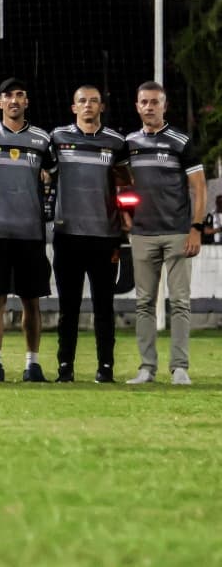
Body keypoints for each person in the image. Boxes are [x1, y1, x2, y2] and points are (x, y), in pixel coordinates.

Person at [0, 78, 56, 383]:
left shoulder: (42, 139)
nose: (14, 100)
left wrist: (47, 184)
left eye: (20, 95)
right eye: (8, 95)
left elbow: (53, 176)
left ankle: (32, 364)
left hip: (30, 233)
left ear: (27, 102)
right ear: (0, 102)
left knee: (31, 301)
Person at [124, 81, 207, 386]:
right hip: (142, 234)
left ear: (164, 106)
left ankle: (180, 368)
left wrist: (196, 228)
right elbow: (120, 183)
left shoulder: (180, 141)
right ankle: (147, 368)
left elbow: (199, 188)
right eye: (144, 102)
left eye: (154, 102)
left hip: (177, 233)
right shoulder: (129, 143)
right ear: (137, 106)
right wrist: (125, 216)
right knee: (144, 303)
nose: (149, 107)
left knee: (180, 302)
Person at [49, 85, 128, 383]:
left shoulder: (116, 142)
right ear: (74, 107)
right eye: (82, 101)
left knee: (104, 307)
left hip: (105, 237)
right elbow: (45, 174)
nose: (88, 106)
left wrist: (127, 220)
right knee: (68, 307)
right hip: (67, 235)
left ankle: (105, 368)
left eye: (94, 101)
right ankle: (65, 368)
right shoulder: (57, 138)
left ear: (101, 107)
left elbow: (125, 184)